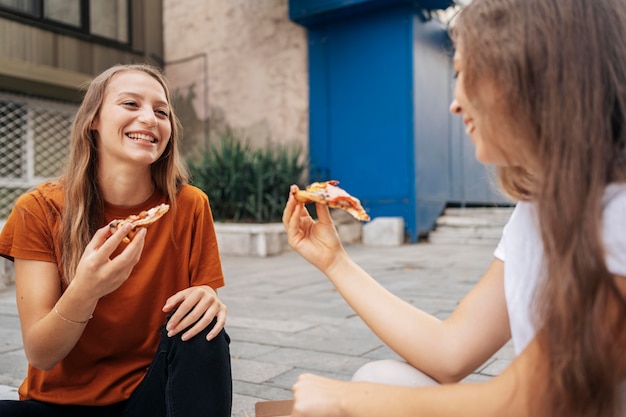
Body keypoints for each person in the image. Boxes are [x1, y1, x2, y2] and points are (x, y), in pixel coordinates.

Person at [282, 0, 626, 415]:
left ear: (527, 77)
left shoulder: (616, 215)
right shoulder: (536, 211)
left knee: (366, 392)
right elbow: (451, 351)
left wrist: (344, 400)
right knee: (379, 378)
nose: (455, 103)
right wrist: (335, 262)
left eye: (463, 74)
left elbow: (530, 401)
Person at [0, 63, 232, 416]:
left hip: (149, 400)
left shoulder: (189, 205)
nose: (150, 119)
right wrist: (86, 289)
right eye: (130, 104)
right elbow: (41, 354)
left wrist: (206, 296)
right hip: (60, 405)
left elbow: (195, 340)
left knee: (204, 330)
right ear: (93, 119)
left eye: (161, 111)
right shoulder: (39, 209)